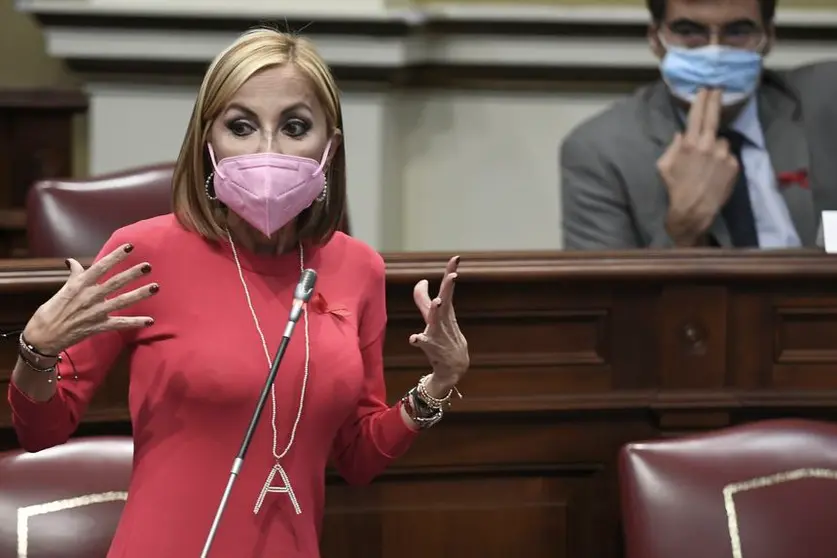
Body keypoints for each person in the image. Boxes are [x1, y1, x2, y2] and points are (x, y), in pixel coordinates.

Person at [8, 28, 470, 558]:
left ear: (330, 147)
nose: (267, 149)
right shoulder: (142, 253)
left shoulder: (357, 268)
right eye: (242, 126)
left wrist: (438, 383)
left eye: (295, 127)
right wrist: (36, 353)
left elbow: (358, 457)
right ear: (209, 142)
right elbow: (40, 432)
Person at [561, 0, 837, 249]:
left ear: (769, 37)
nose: (714, 51)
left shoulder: (826, 100)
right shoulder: (600, 152)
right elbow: (608, 300)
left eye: (738, 31)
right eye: (689, 31)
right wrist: (684, 229)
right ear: (655, 39)